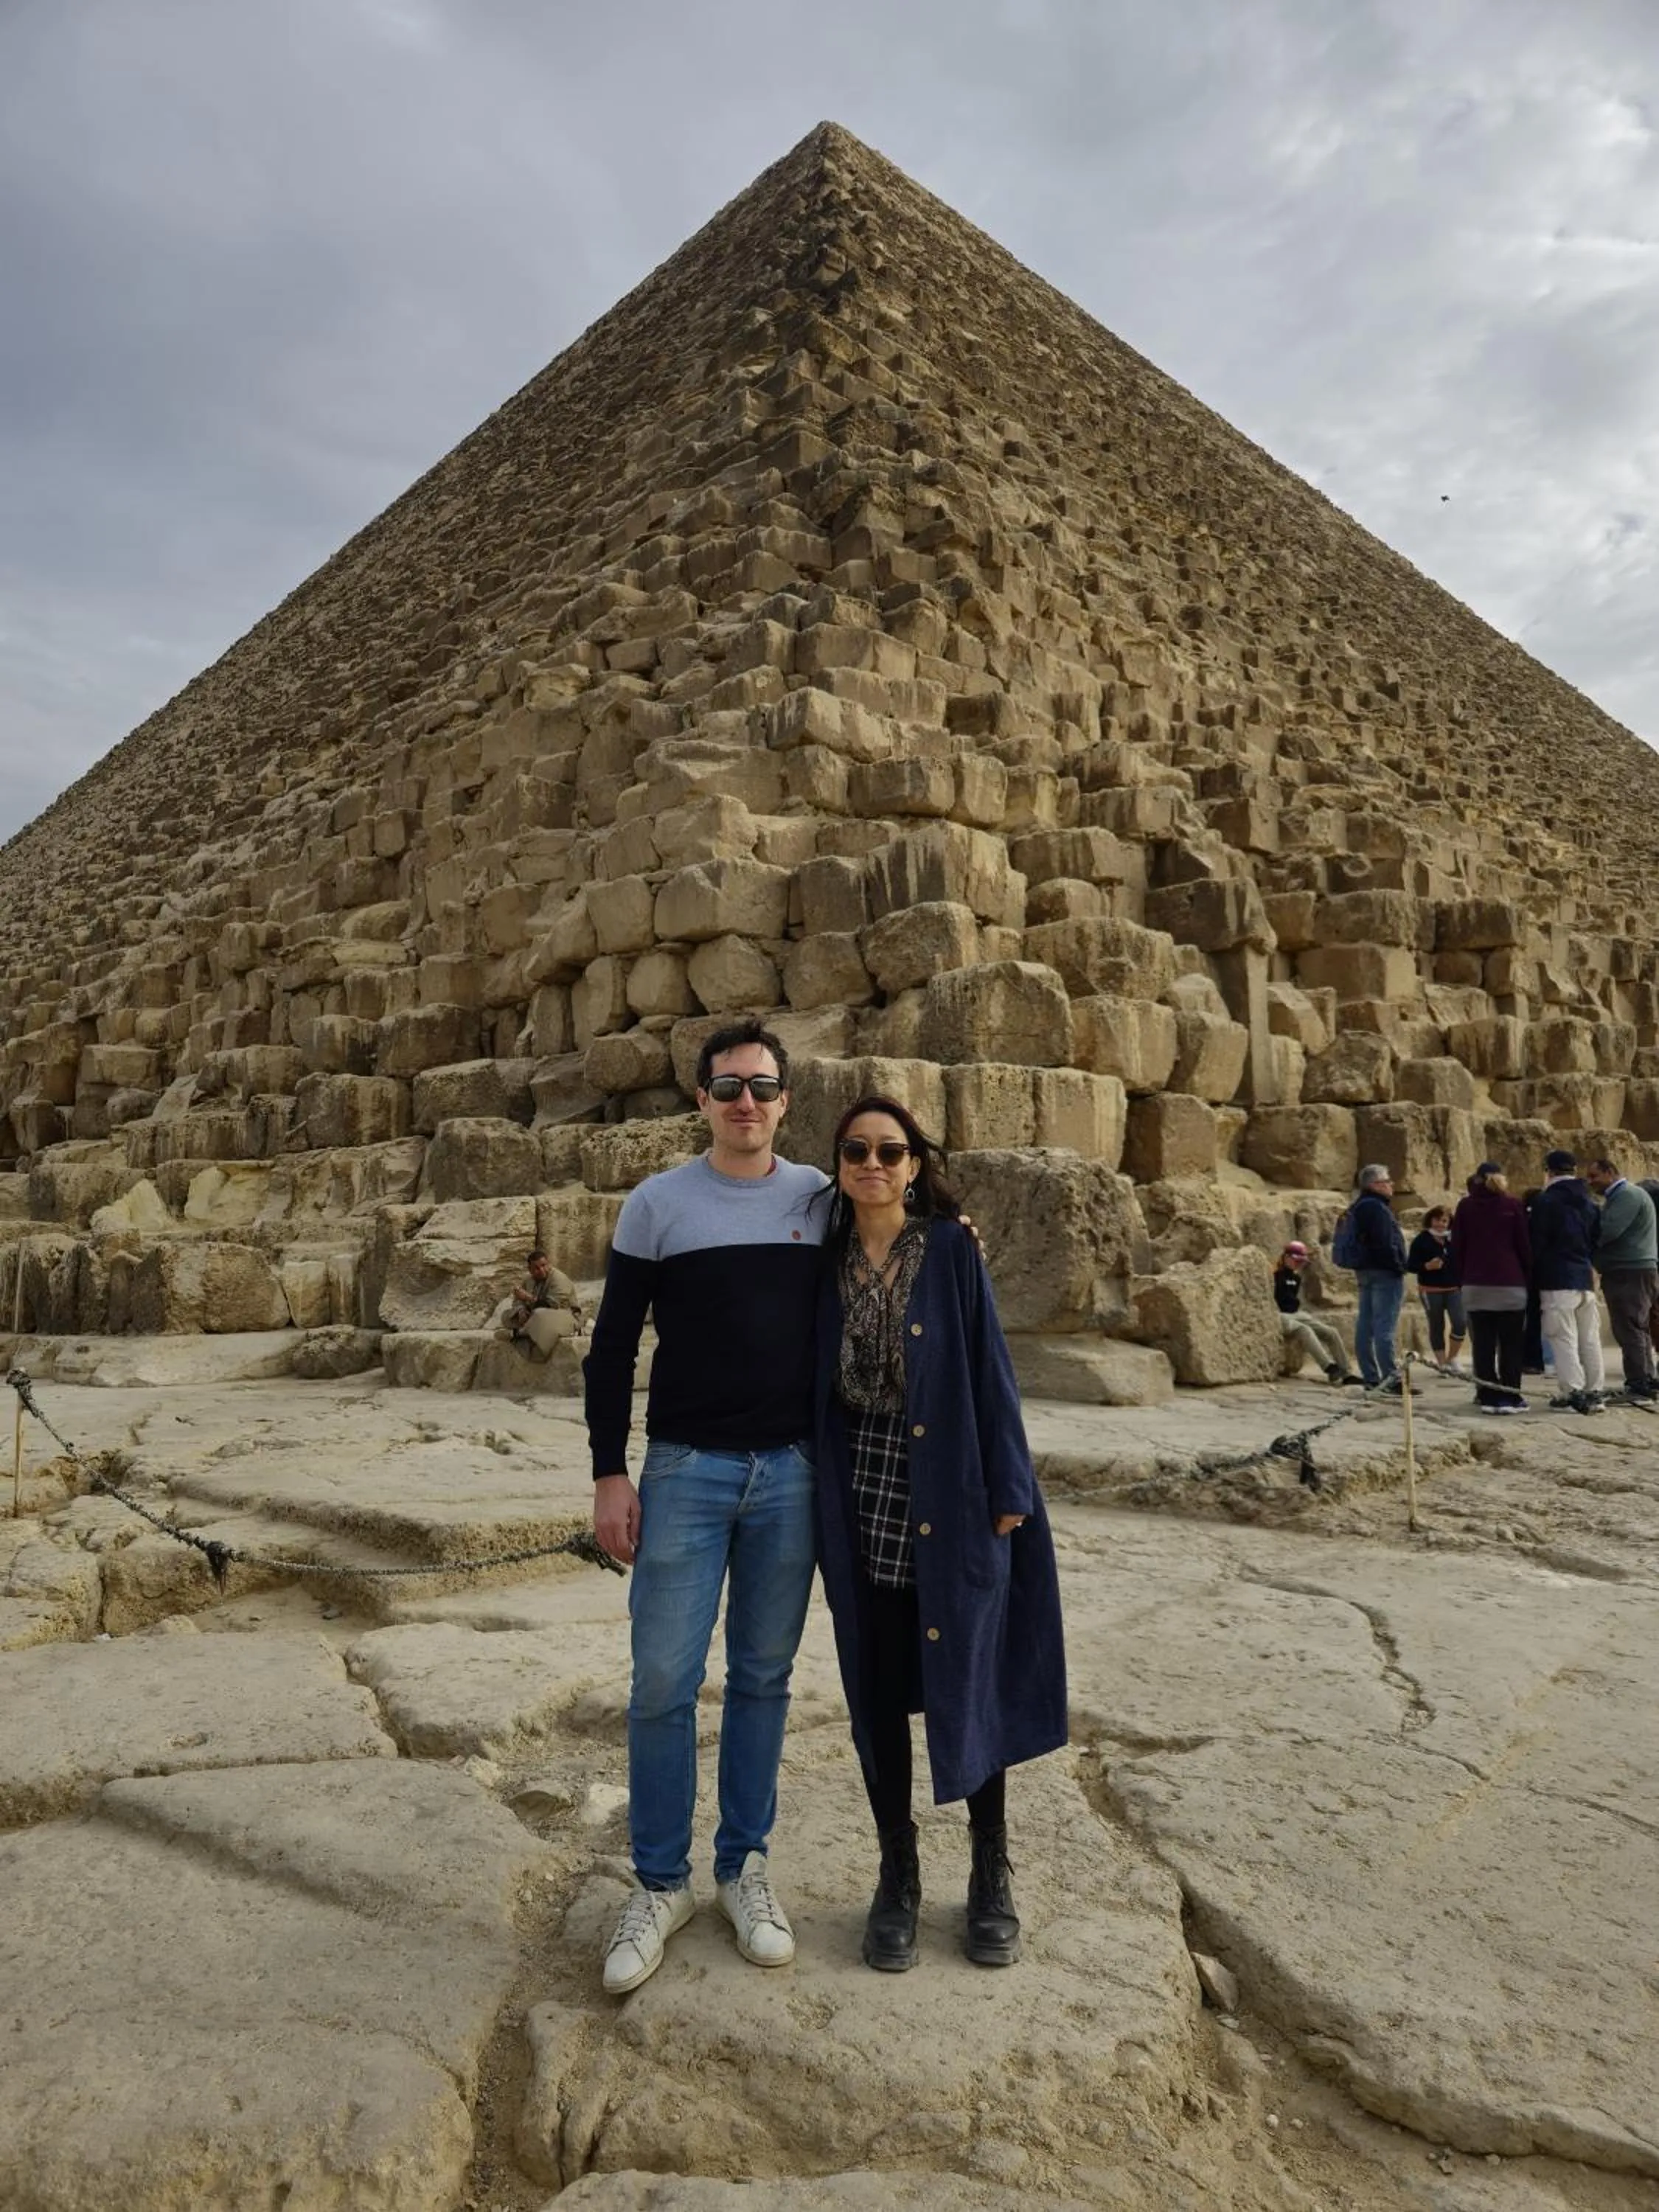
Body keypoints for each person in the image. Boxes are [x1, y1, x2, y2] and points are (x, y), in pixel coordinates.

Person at [582, 1018, 826, 1994]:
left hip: (792, 1474)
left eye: (762, 1088)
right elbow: (610, 1346)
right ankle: (658, 1880)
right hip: (685, 1470)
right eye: (726, 1088)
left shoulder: (818, 1198)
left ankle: (742, 1867)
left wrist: (958, 1228)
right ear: (699, 1100)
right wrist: (611, 1472)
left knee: (763, 1677)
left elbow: (903, 1245)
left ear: (785, 1100)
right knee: (661, 1683)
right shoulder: (656, 1205)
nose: (745, 1105)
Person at [813, 1096, 1065, 1972]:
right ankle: (898, 1874)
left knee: (969, 1673)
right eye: (856, 1151)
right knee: (876, 1688)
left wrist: (1008, 1484)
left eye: (891, 1151)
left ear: (915, 1165)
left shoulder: (952, 1250)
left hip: (950, 1488)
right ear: (838, 1165)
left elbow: (991, 1364)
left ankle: (990, 1874)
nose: (873, 1164)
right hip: (858, 1495)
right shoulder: (821, 1255)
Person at [1450, 1164, 1532, 1413]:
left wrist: (1461, 1279)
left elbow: (1458, 1247)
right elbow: (1523, 1246)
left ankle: (1487, 1396)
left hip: (1476, 1284)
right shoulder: (1512, 1205)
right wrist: (1527, 1278)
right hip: (1510, 1284)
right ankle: (1510, 1395)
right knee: (1511, 1345)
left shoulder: (1465, 1207)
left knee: (1483, 1346)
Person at [1530, 1150, 1604, 1414]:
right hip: (1584, 1276)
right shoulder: (1589, 1201)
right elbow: (1597, 1238)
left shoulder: (1546, 1201)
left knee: (1563, 1338)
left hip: (1557, 1278)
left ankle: (1572, 1393)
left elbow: (1536, 1243)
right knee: (1590, 1338)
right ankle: (1595, 1391)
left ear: (1549, 1171)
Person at [1584, 1158, 1658, 1402]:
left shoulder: (1627, 1195)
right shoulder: (1625, 1196)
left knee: (1629, 1327)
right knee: (1637, 1327)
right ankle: (1646, 1380)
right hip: (1633, 1270)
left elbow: (1609, 1230)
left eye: (1594, 1176)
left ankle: (1638, 1385)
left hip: (1630, 1271)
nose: (1591, 1182)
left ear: (1610, 1173)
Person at [1347, 1164, 1408, 1394]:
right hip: (1384, 1273)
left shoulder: (1359, 1206)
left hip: (1364, 1270)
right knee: (1385, 1326)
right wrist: (1400, 1266)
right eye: (1387, 1181)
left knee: (1366, 1324)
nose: (1391, 1185)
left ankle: (1370, 1376)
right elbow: (1384, 1243)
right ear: (1375, 1185)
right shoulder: (1378, 1209)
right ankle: (1391, 1379)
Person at [1273, 1242, 1360, 1383]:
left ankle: (1346, 1372)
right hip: (1279, 1315)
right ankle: (1329, 1367)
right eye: (1296, 1261)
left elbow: (1293, 1302)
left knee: (1331, 1332)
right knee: (1304, 1329)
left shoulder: (1296, 1278)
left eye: (1300, 1262)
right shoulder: (1275, 1276)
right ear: (1286, 1258)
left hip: (1296, 1313)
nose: (1298, 1265)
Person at [1405, 1206, 1467, 1374]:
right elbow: (1410, 1265)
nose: (1440, 1224)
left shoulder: (1454, 1240)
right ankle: (1442, 1363)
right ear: (1431, 1220)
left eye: (1444, 1221)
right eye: (1437, 1220)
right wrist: (1427, 1266)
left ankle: (1452, 1357)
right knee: (1436, 1325)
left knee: (1460, 1323)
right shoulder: (1421, 1240)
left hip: (1454, 1289)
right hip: (1430, 1290)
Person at [505, 1248, 574, 1358]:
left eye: (544, 1265)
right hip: (534, 1317)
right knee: (506, 1315)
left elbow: (550, 1305)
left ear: (549, 1264)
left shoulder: (560, 1279)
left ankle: (520, 1333)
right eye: (536, 1268)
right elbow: (518, 1301)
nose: (542, 1270)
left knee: (539, 1314)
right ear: (530, 1270)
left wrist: (528, 1297)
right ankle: (527, 1330)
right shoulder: (529, 1280)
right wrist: (521, 1311)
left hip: (563, 1315)